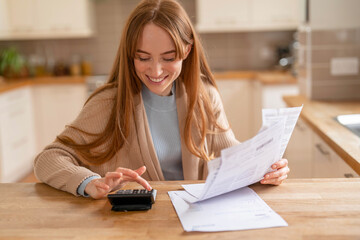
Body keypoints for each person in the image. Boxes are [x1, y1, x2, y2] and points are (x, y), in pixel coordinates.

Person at [34, 0, 290, 199]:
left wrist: (265, 169)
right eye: (143, 58)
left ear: (186, 51)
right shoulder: (108, 103)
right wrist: (89, 183)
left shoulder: (204, 95)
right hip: (133, 226)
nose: (155, 72)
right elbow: (49, 159)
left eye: (168, 58)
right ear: (130, 55)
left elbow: (231, 154)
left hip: (193, 220)